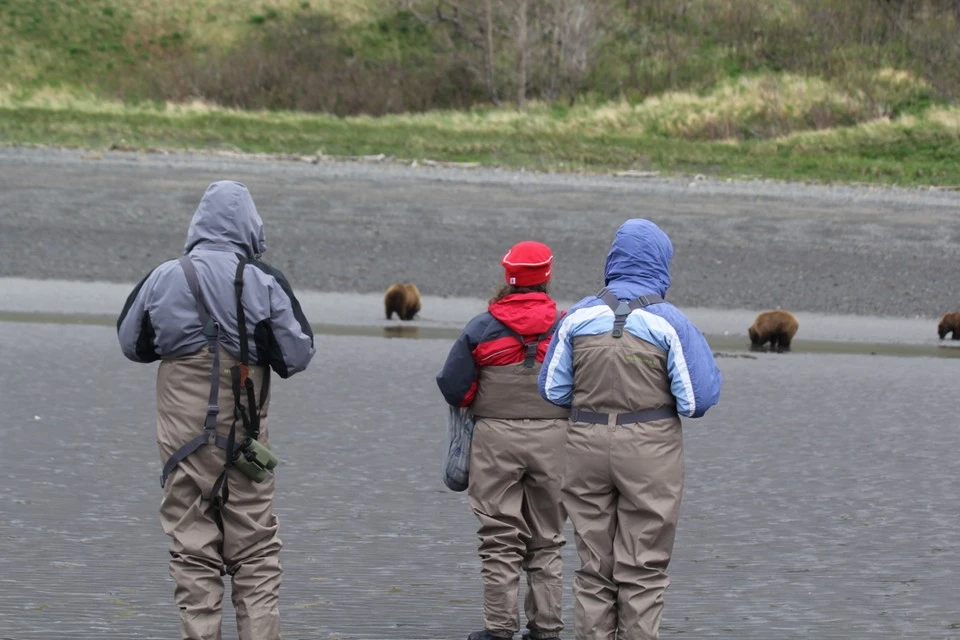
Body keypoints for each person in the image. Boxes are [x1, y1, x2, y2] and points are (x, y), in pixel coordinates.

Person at [117, 180, 315, 640]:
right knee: (256, 551)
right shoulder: (264, 279)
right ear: (250, 226)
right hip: (245, 441)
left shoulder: (163, 276)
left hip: (180, 445)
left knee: (191, 551)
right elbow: (297, 355)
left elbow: (132, 343)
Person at [538, 219, 722, 640]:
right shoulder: (670, 322)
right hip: (649, 449)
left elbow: (551, 389)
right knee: (642, 567)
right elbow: (698, 400)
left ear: (613, 259)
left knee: (594, 566)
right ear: (661, 263)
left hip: (585, 444)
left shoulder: (577, 316)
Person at [437, 241, 569, 640]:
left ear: (508, 278)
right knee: (547, 537)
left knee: (498, 536)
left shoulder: (481, 327)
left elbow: (453, 387)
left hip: (495, 439)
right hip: (555, 439)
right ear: (546, 277)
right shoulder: (567, 326)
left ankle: (498, 629)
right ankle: (546, 628)